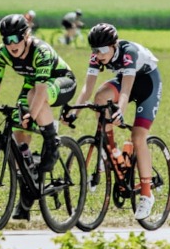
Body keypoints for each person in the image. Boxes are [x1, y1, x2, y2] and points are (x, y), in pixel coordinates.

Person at [0, 13, 77, 221]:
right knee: (19, 141)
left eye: (15, 38)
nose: (11, 44)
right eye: (6, 39)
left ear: (26, 35)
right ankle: (27, 193)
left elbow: (41, 91)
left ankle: (52, 142)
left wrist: (31, 116)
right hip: (33, 84)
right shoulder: (3, 53)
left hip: (61, 81)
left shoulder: (41, 51)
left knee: (33, 99)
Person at [64, 23, 162, 220]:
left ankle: (146, 194)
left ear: (113, 45)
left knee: (138, 137)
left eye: (102, 50)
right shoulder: (97, 56)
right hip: (125, 80)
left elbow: (126, 90)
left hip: (146, 84)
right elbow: (87, 88)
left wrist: (120, 112)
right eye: (94, 50)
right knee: (100, 97)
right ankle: (111, 151)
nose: (98, 55)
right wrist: (74, 112)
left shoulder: (128, 53)